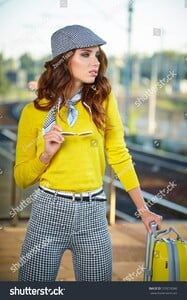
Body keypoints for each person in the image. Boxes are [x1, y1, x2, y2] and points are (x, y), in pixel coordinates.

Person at [14, 24, 162, 282]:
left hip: (93, 213)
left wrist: (143, 209)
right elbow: (21, 178)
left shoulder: (103, 100)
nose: (96, 62)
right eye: (85, 54)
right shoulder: (33, 113)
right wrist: (46, 155)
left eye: (97, 54)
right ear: (63, 61)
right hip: (48, 212)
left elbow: (119, 154)